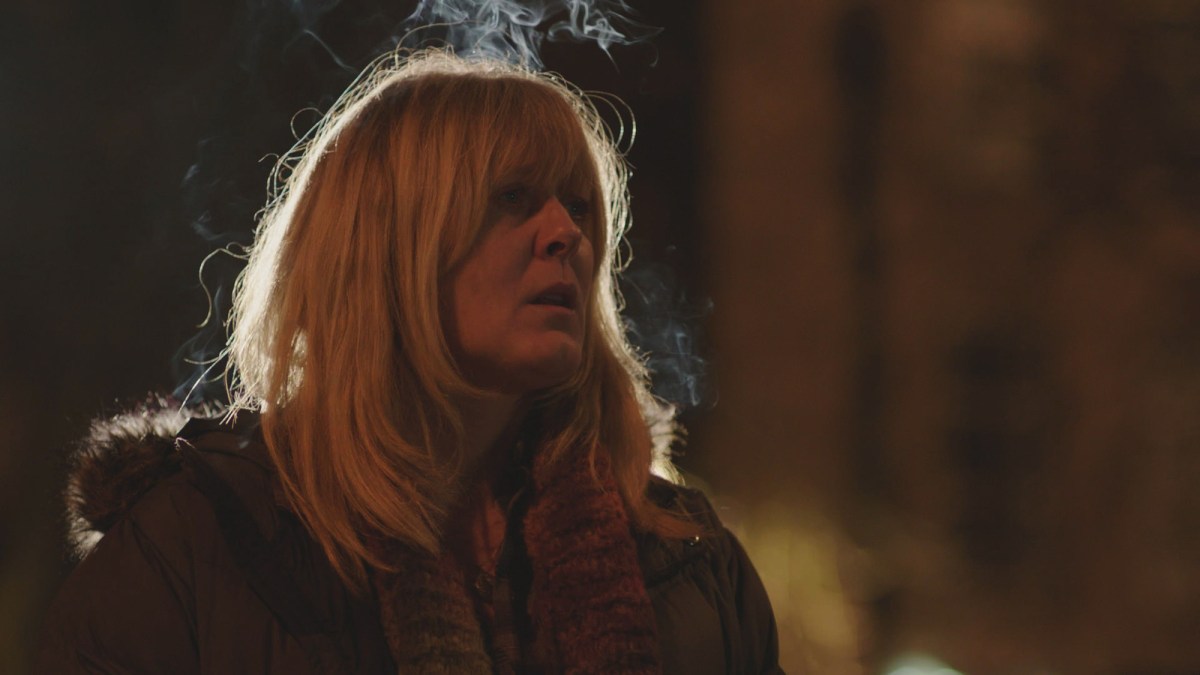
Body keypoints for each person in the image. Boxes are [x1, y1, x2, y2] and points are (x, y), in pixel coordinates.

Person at [37, 49, 782, 674]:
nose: (565, 232)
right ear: (386, 248)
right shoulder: (195, 550)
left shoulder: (688, 562)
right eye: (513, 197)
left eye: (579, 205)